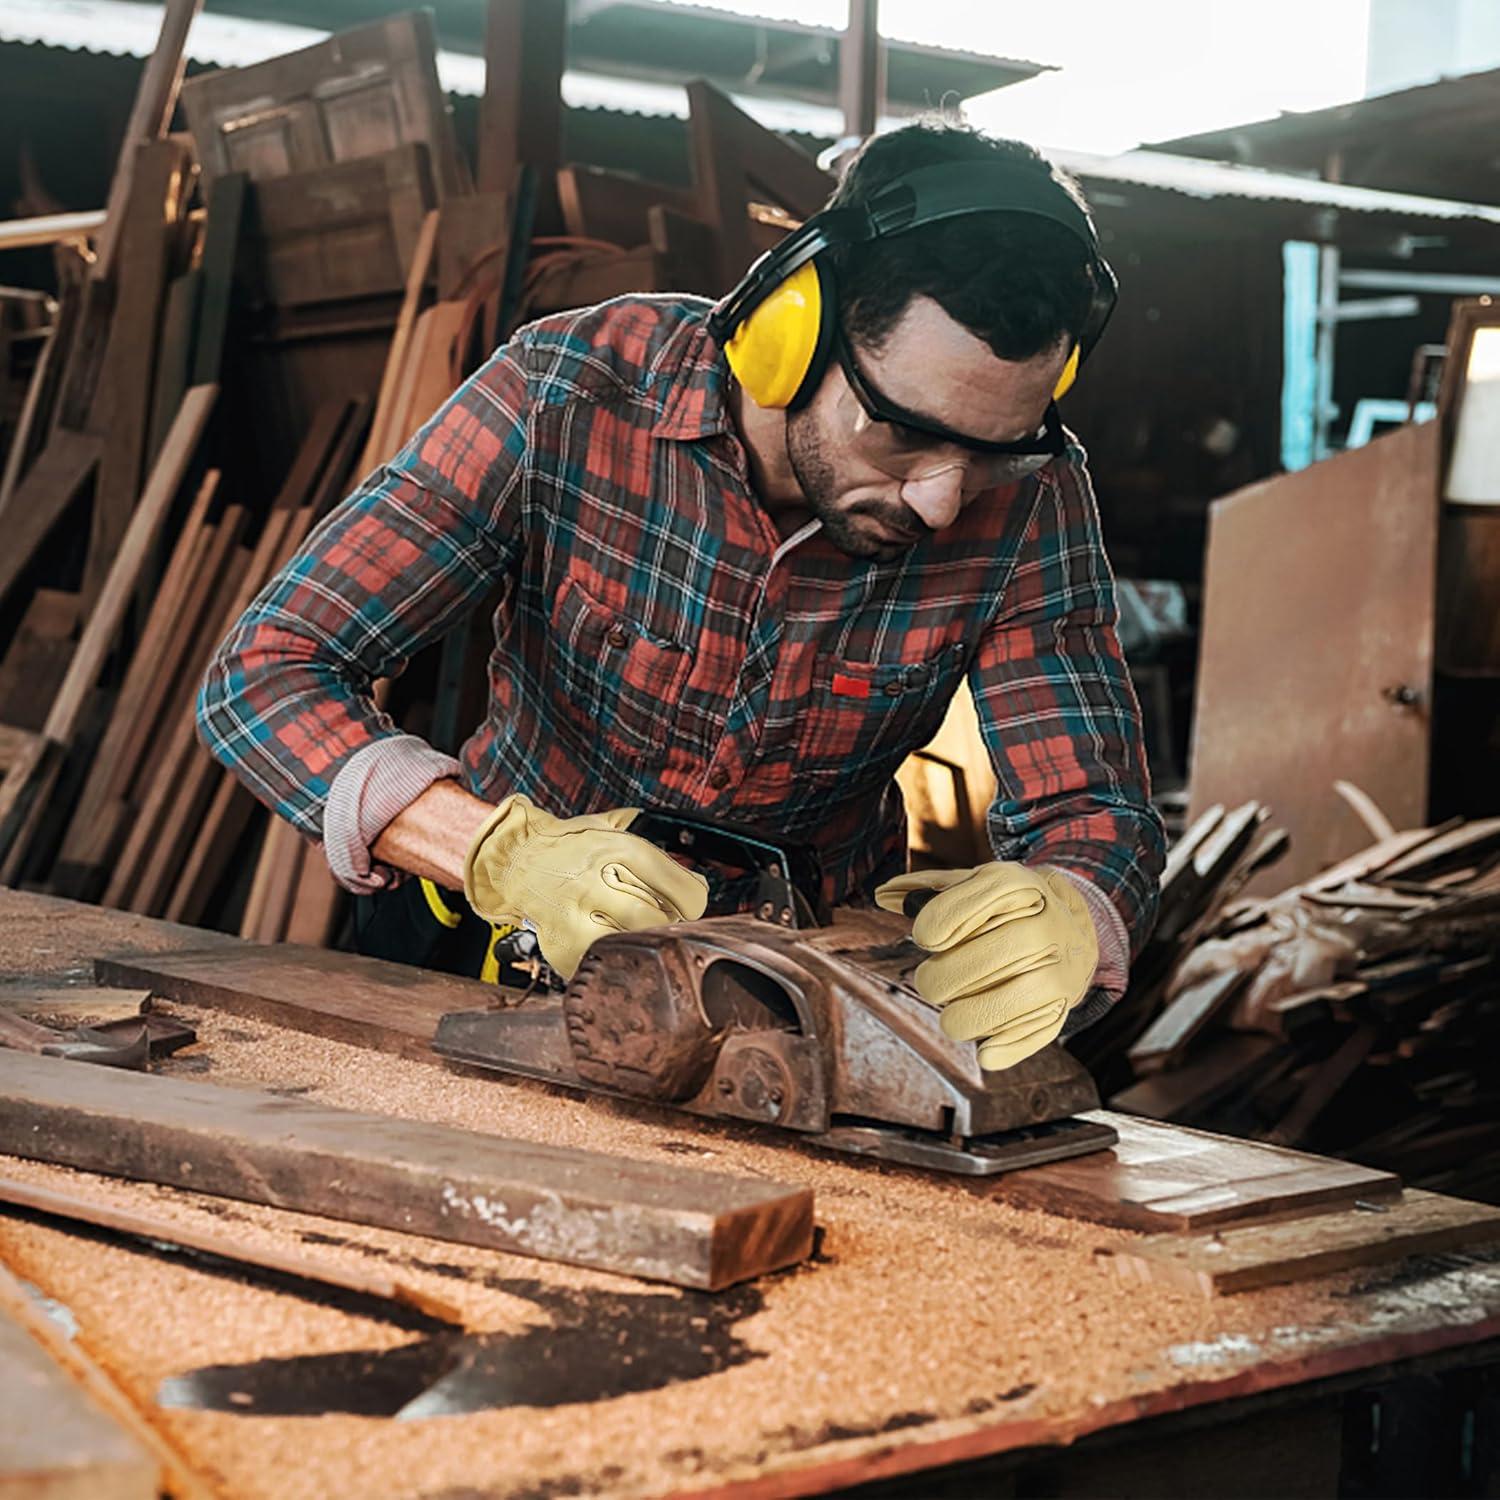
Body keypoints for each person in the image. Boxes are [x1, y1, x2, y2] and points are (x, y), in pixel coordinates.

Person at [198, 120, 1165, 1071]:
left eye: (991, 450)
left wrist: (1079, 905)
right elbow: (266, 674)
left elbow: (1094, 807)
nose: (943, 498)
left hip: (788, 1008)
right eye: (903, 434)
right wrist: (491, 851)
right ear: (791, 332)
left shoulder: (1034, 497)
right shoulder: (569, 391)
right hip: (492, 951)